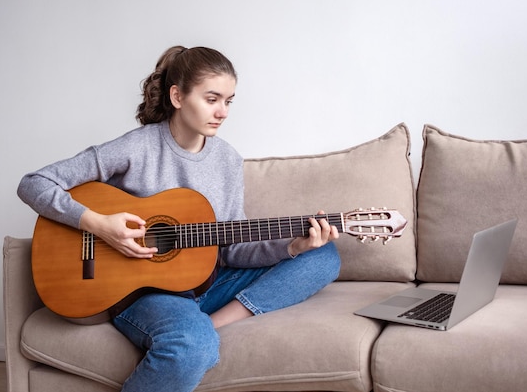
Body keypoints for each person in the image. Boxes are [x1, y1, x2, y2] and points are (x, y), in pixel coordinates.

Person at [17, 45, 341, 392]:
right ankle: (195, 331)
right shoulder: (136, 148)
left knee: (322, 255)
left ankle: (210, 322)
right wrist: (98, 224)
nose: (223, 112)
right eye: (212, 98)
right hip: (143, 292)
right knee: (192, 347)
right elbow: (33, 184)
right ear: (177, 96)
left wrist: (294, 245)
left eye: (229, 101)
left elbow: (231, 250)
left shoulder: (228, 160)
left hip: (209, 283)